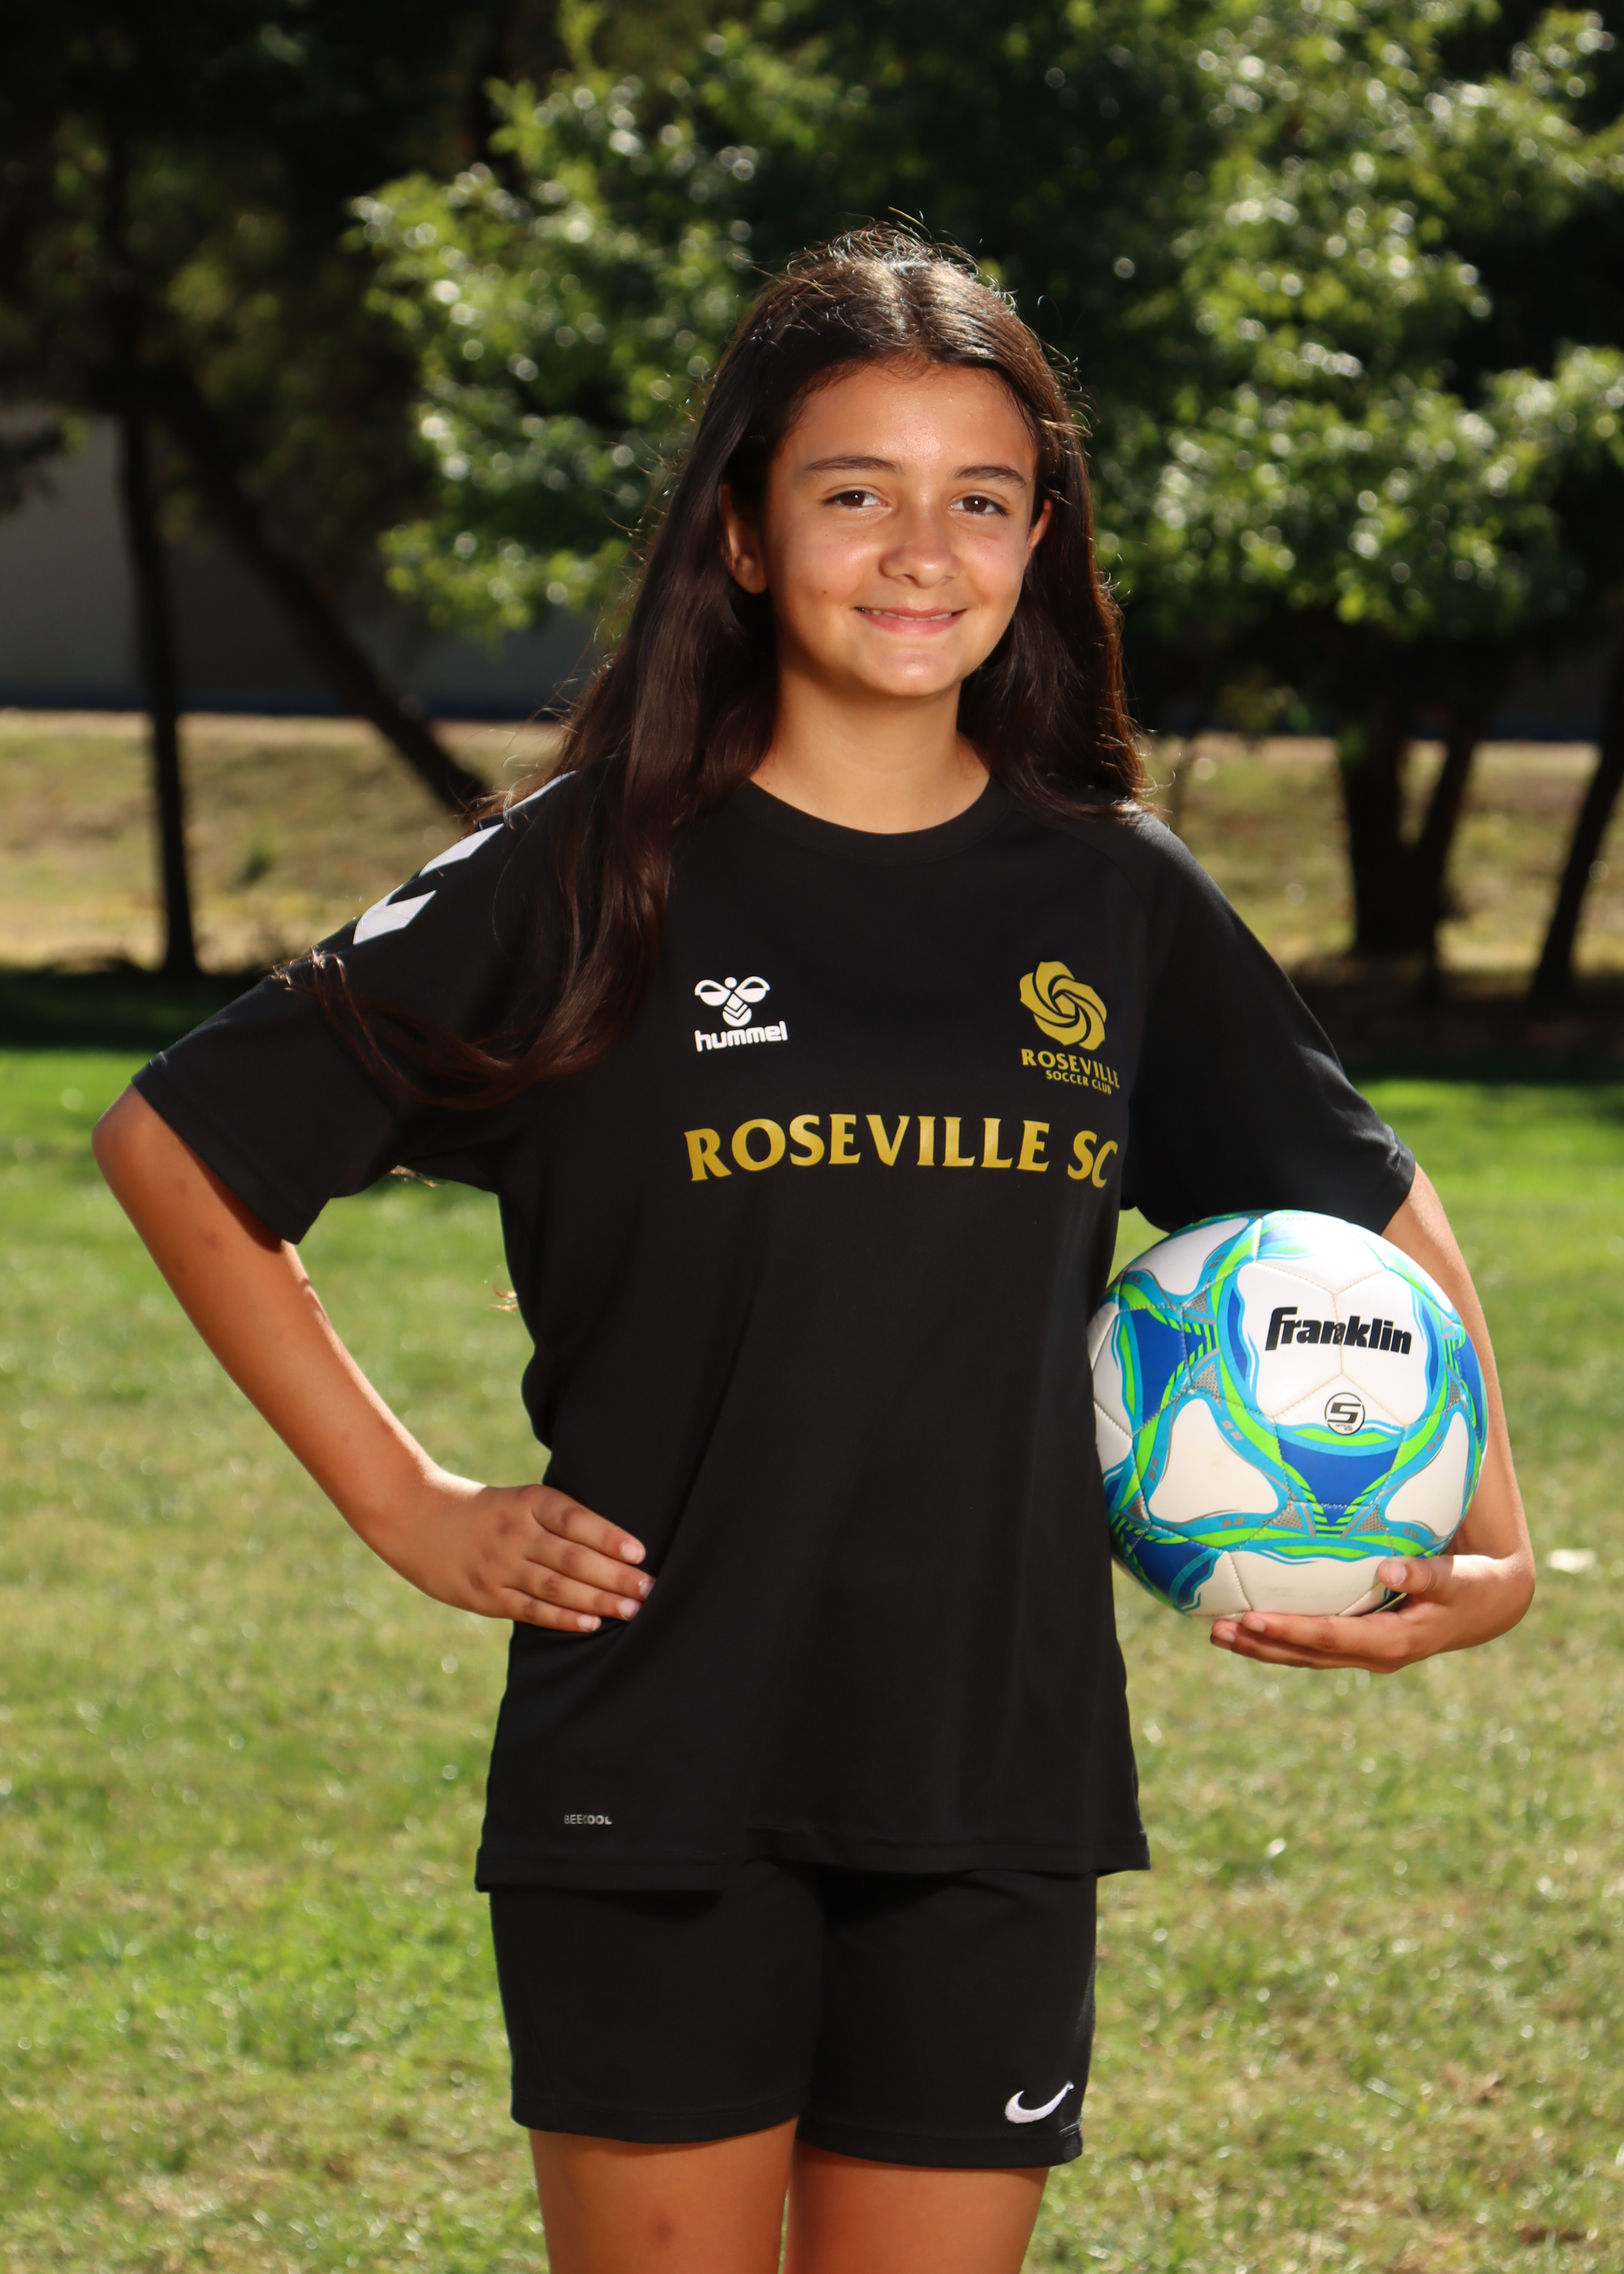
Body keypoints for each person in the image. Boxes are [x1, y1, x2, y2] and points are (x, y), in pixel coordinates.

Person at [93, 232, 1533, 2274]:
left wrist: (1490, 1536)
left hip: (991, 1767)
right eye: (857, 490)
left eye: (983, 499)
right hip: (658, 1755)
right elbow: (179, 1142)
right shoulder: (590, 866)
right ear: (745, 534)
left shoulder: (1111, 896)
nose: (922, 550)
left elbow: (1365, 1198)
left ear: (1039, 541)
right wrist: (410, 1505)